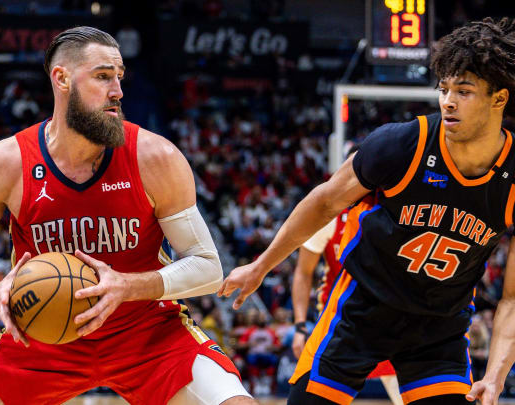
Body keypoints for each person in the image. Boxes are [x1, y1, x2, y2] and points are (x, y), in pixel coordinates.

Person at [0, 26, 255, 405]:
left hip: (146, 333)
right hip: (41, 336)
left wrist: (127, 287)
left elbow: (208, 268)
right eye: (102, 76)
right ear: (62, 78)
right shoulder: (9, 161)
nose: (117, 90)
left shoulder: (155, 156)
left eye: (119, 77)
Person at [219, 17, 515, 405]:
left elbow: (511, 299)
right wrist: (262, 265)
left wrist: (494, 377)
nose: (448, 101)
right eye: (443, 88)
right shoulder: (401, 144)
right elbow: (323, 201)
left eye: (464, 90)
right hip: (361, 310)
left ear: (499, 98)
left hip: (438, 326)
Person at [290, 146, 403, 405]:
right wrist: (299, 326)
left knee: (407, 395)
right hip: (341, 320)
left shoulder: (398, 210)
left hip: (389, 317)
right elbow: (303, 272)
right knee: (316, 395)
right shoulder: (329, 213)